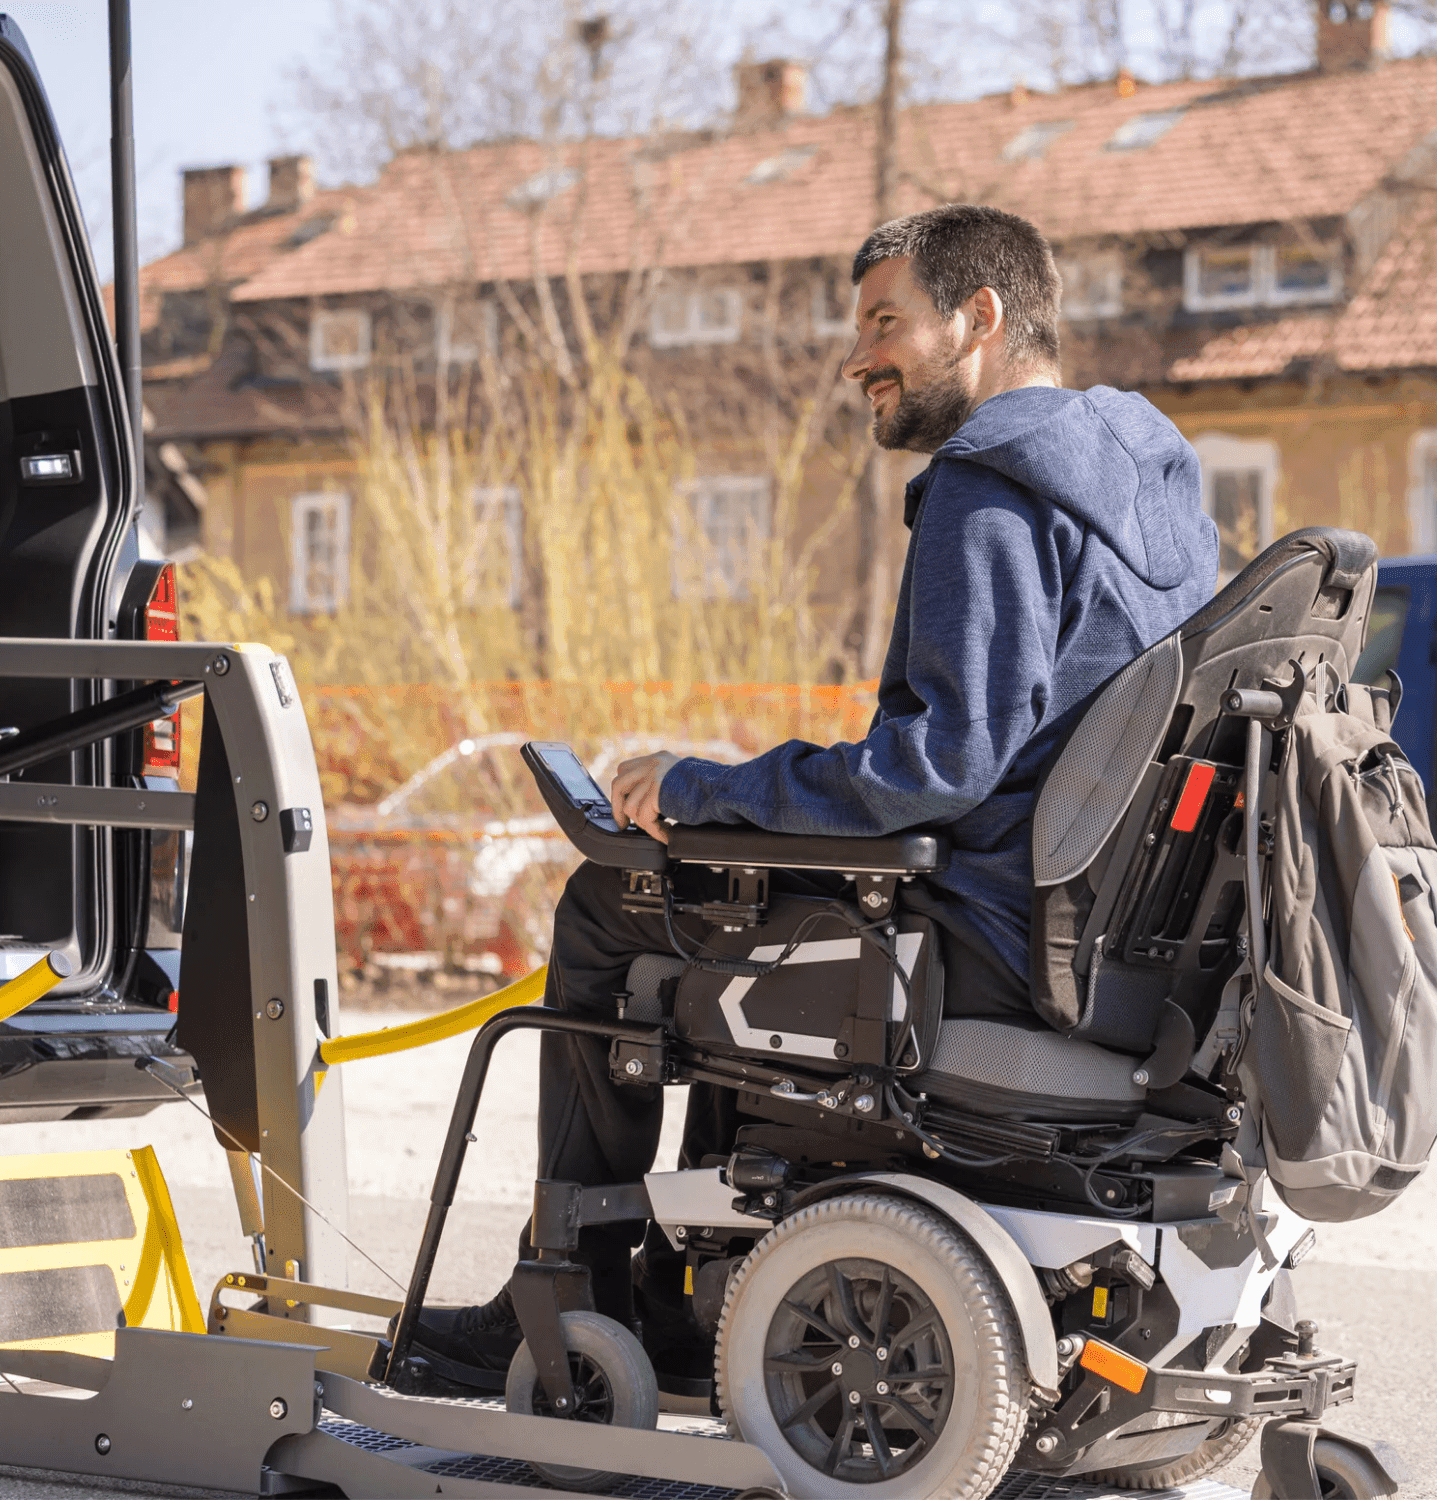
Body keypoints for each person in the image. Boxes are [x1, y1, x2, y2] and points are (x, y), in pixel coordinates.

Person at [403, 204, 1220, 1392]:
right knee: (732, 895)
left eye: (886, 321)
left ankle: (579, 1296)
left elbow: (934, 768)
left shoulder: (988, 491)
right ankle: (683, 1284)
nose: (858, 357)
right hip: (1112, 950)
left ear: (979, 317)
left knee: (611, 903)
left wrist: (699, 786)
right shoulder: (1154, 491)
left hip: (986, 937)